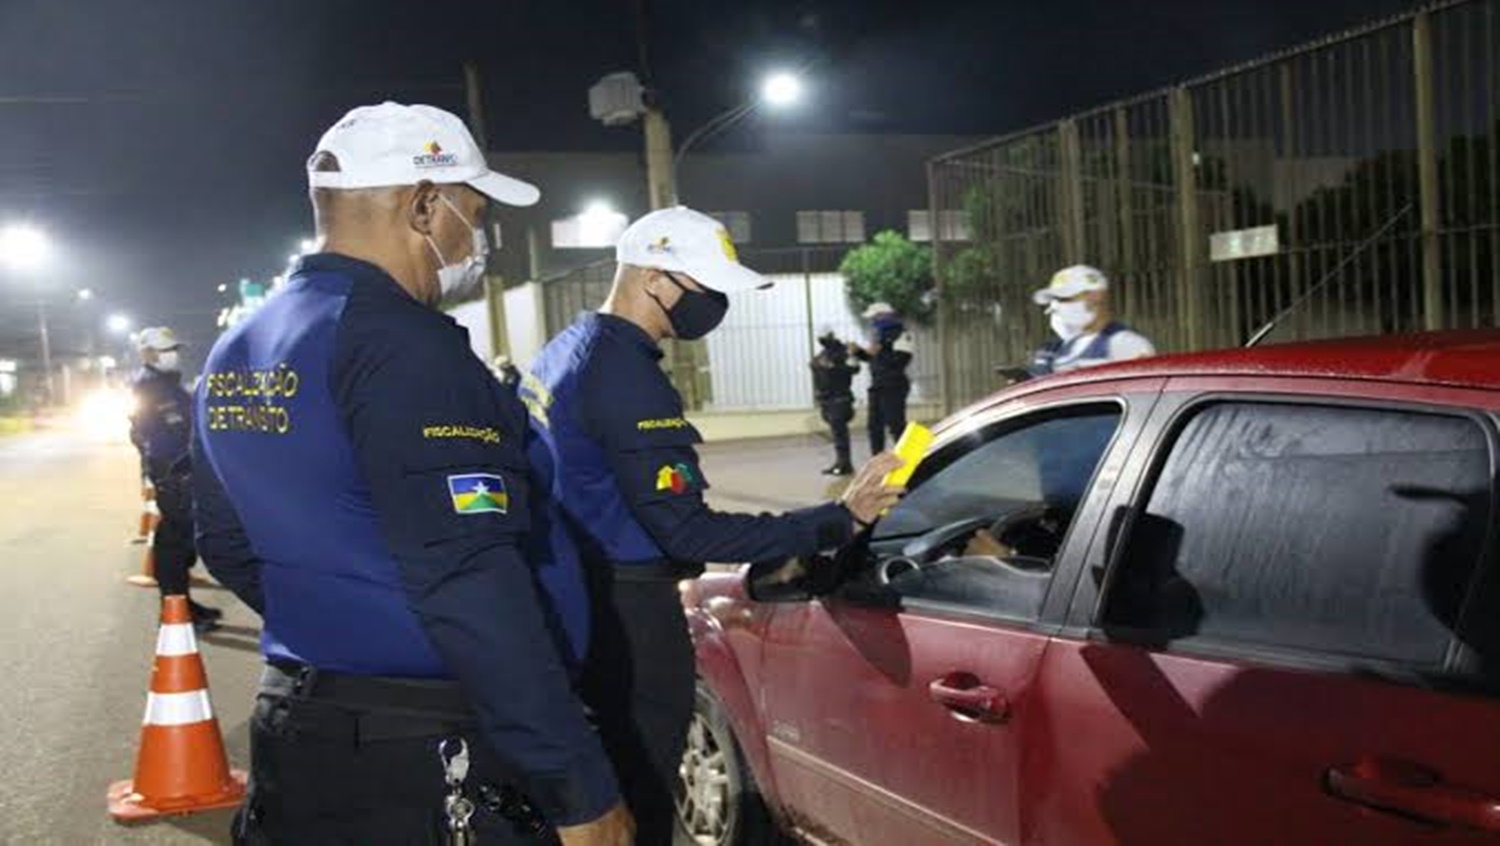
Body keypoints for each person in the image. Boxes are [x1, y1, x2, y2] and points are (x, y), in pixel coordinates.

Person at [191, 102, 632, 846]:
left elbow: (226, 541)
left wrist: (349, 620)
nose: (478, 234)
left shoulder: (240, 344)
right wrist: (575, 785)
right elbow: (469, 575)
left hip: (300, 737)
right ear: (425, 204)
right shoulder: (401, 345)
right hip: (430, 752)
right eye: (474, 209)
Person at [521, 206, 903, 845]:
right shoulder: (626, 375)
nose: (717, 304)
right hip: (629, 618)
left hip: (571, 596)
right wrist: (839, 518)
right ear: (653, 277)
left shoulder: (566, 349)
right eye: (706, 287)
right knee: (637, 804)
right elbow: (689, 535)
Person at [128, 326, 220, 633]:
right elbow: (178, 429)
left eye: (173, 350)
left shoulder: (163, 382)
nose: (173, 355)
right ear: (149, 354)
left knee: (177, 537)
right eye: (167, 350)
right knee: (176, 540)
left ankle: (181, 604)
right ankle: (176, 610)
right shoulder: (153, 385)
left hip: (174, 467)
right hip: (173, 468)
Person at [1028, 265, 1156, 376]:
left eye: (1065, 299)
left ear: (1096, 296)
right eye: (1055, 300)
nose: (1058, 306)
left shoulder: (1126, 343)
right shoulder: (1065, 347)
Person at [851, 302, 915, 455]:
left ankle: (910, 461)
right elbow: (873, 358)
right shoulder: (880, 335)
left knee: (896, 425)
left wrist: (881, 350)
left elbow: (902, 360)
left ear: (883, 316)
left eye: (874, 317)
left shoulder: (901, 334)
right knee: (874, 426)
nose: (872, 321)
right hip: (878, 385)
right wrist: (858, 352)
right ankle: (877, 460)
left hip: (893, 385)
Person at [809, 329, 858, 476]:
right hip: (827, 399)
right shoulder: (823, 353)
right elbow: (815, 365)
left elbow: (854, 369)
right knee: (837, 434)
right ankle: (841, 462)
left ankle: (845, 464)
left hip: (840, 398)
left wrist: (832, 367)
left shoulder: (844, 352)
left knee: (840, 433)